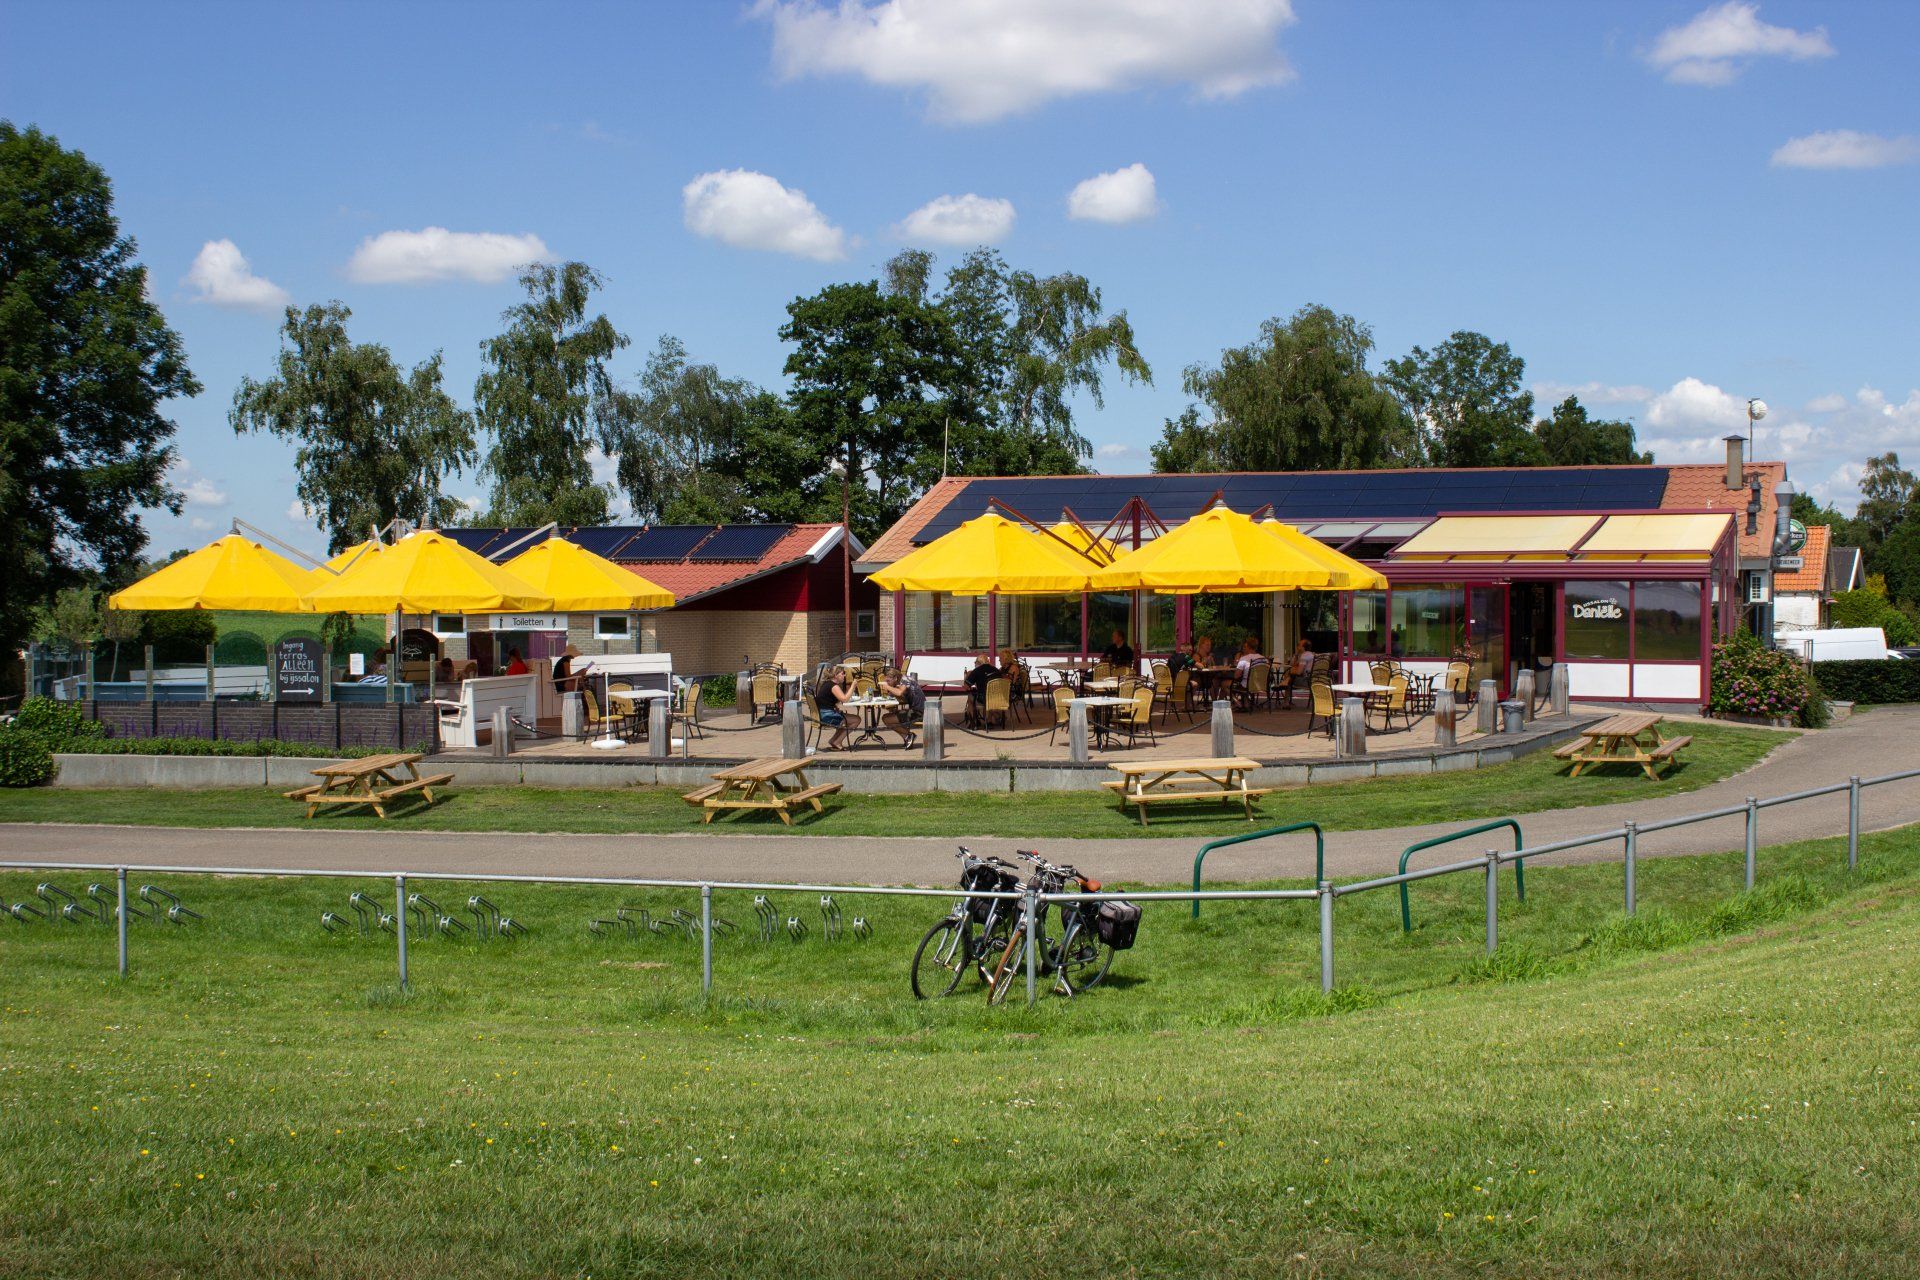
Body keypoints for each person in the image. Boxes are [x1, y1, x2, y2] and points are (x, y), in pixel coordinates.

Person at [876, 670, 921, 746]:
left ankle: (909, 735)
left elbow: (900, 692)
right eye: (886, 681)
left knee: (887, 719)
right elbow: (902, 698)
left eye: (888, 681)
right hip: (914, 709)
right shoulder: (899, 683)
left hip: (919, 711)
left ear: (895, 678)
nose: (887, 683)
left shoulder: (905, 679)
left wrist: (888, 687)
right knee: (886, 717)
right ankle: (907, 738)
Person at [816, 666, 852, 750]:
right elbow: (844, 699)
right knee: (856, 720)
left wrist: (835, 707)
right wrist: (852, 686)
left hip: (823, 713)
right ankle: (837, 741)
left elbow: (827, 699)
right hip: (827, 716)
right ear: (836, 675)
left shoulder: (827, 684)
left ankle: (834, 740)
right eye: (842, 673)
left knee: (852, 719)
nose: (844, 675)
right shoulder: (834, 686)